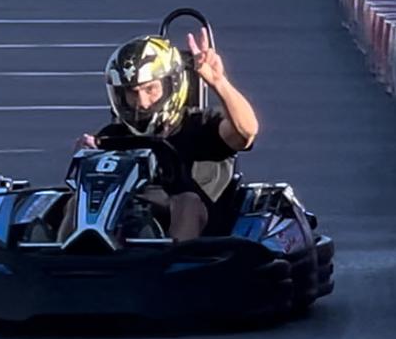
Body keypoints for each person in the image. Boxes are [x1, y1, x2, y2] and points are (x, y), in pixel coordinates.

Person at [62, 28, 259, 242]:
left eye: (150, 89)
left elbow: (246, 132)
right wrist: (87, 160)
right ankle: (62, 256)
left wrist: (219, 83)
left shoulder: (201, 126)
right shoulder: (113, 136)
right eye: (132, 93)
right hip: (126, 224)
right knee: (75, 202)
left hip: (199, 239)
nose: (142, 103)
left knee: (187, 204)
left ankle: (171, 259)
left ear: (170, 86)